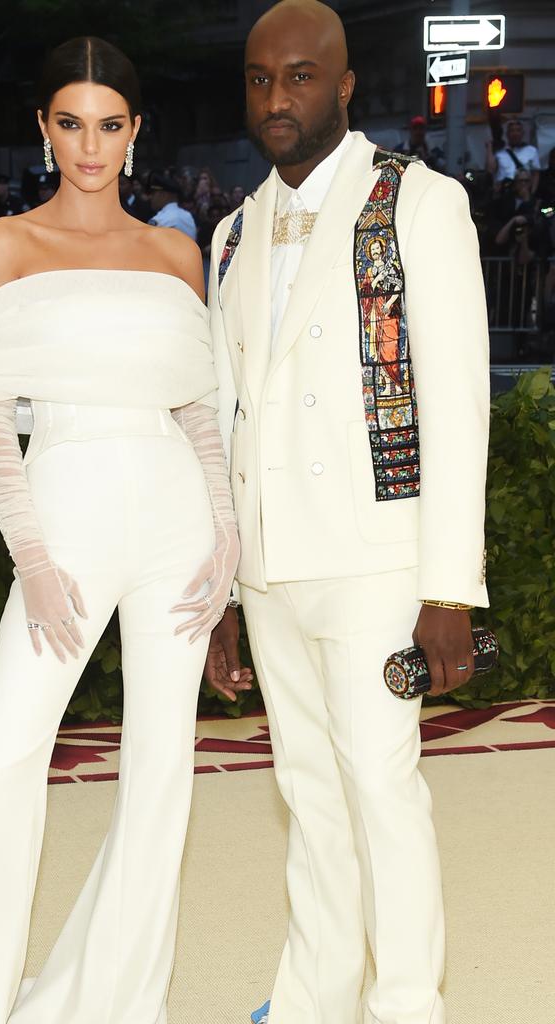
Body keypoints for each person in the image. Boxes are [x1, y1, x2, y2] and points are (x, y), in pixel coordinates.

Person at [0, 35, 242, 1024]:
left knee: (161, 773)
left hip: (177, 525)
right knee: (4, 760)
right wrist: (33, 557)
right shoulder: (6, 245)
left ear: (135, 132)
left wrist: (227, 540)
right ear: (46, 128)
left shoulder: (176, 252)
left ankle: (113, 1001)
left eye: (112, 125)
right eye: (73, 123)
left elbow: (202, 416)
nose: (92, 146)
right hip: (67, 523)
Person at [204, 3, 490, 1023]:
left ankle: (407, 1003)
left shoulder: (418, 202)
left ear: (344, 82)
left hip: (377, 565)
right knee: (309, 797)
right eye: (259, 80)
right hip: (271, 570)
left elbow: (457, 401)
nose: (278, 98)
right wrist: (224, 591)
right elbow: (229, 419)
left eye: (300, 76)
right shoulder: (232, 233)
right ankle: (315, 993)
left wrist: (453, 589)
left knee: (381, 791)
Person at [486, 118, 541, 191]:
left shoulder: (531, 150)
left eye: (518, 130)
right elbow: (490, 170)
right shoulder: (500, 152)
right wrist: (489, 148)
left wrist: (532, 194)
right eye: (512, 130)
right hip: (503, 190)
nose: (515, 133)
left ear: (522, 133)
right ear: (507, 134)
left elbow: (536, 174)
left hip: (523, 190)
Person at [147, 170, 197, 240]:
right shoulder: (188, 216)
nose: (150, 197)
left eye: (153, 193)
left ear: (164, 195)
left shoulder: (160, 220)